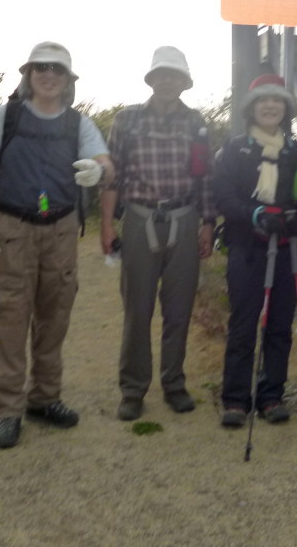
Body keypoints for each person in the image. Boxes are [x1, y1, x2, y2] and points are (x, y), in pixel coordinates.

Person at [0, 41, 114, 449]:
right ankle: (7, 410)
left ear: (68, 80)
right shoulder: (6, 116)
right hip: (13, 226)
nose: (48, 74)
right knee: (10, 316)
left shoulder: (79, 124)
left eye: (57, 69)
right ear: (29, 75)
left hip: (62, 230)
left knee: (55, 315)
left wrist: (97, 171)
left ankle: (45, 398)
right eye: (40, 67)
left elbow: (107, 166)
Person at [100, 46, 216, 421]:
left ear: (184, 82)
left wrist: (208, 223)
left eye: (174, 76)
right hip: (139, 218)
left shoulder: (197, 122)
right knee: (138, 309)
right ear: (151, 79)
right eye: (161, 75)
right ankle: (133, 389)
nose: (167, 81)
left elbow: (205, 176)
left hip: (183, 218)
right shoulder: (127, 119)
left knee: (179, 309)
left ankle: (174, 382)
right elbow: (111, 174)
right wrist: (106, 224)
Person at [214, 74, 297, 427]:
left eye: (276, 101)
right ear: (251, 108)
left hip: (287, 250)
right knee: (243, 324)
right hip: (246, 247)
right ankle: (235, 399)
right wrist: (255, 213)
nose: (270, 106)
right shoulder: (235, 148)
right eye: (262, 101)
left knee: (279, 326)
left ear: (286, 107)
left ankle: (272, 396)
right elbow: (223, 197)